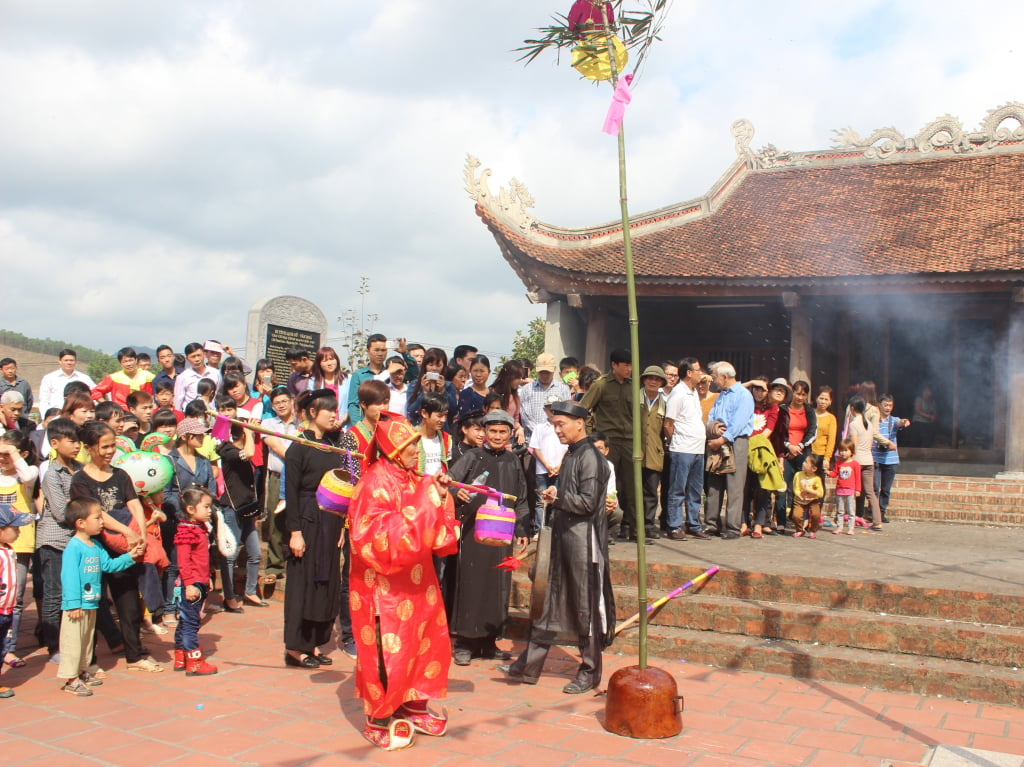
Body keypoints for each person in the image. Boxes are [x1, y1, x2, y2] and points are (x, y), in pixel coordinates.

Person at [346, 415, 459, 750]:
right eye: (410, 446)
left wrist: (437, 494)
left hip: (418, 583)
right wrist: (425, 503)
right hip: (383, 588)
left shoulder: (415, 479)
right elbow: (373, 537)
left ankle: (412, 703)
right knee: (386, 650)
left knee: (424, 642)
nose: (416, 452)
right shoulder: (373, 484)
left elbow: (430, 523)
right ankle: (379, 715)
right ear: (393, 450)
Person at [499, 400, 614, 694]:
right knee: (547, 602)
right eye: (554, 425)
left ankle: (589, 671)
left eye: (561, 425)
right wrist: (558, 492)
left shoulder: (591, 457)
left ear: (580, 423)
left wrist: (557, 499)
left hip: (583, 545)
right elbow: (574, 493)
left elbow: (588, 503)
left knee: (583, 607)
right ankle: (528, 665)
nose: (557, 430)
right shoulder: (573, 454)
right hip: (565, 538)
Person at [70, 421, 161, 671]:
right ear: (89, 448)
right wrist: (125, 531)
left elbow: (133, 503)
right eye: (105, 446)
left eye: (113, 445)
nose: (110, 451)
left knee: (129, 603)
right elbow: (95, 511)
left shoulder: (120, 474)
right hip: (95, 546)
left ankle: (135, 656)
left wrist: (140, 532)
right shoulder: (80, 480)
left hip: (124, 547)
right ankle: (87, 662)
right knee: (92, 605)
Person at [447, 410, 529, 666]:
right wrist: (456, 492)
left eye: (502, 431)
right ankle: (465, 642)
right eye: (492, 431)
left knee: (497, 585)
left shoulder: (513, 461)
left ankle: (489, 642)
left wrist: (523, 529)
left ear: (509, 434)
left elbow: (522, 497)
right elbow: (448, 483)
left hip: (502, 534)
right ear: (483, 432)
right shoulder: (472, 457)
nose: (496, 436)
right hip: (474, 533)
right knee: (471, 584)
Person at [284, 389, 359, 668]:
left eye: (335, 410)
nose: (333, 415)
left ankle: (314, 644)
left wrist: (341, 524)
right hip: (305, 518)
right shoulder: (298, 447)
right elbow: (290, 492)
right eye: (328, 410)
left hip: (331, 520)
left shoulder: (333, 445)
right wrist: (295, 531)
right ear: (312, 413)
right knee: (302, 583)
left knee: (325, 582)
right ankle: (295, 647)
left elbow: (341, 487)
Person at [58, 499, 143, 696]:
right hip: (76, 606)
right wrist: (72, 604)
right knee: (73, 641)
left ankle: (83, 670)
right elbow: (69, 577)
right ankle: (71, 678)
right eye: (97, 518)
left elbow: (109, 566)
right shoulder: (74, 547)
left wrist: (130, 556)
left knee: (87, 641)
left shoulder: (95, 545)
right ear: (81, 523)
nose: (102, 522)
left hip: (91, 603)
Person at [36, 418, 82, 661]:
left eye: (78, 441)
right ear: (54, 443)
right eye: (71, 441)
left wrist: (75, 505)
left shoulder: (81, 468)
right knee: (54, 593)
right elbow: (61, 512)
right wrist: (80, 508)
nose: (76, 446)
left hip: (76, 541)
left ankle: (72, 641)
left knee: (74, 594)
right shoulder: (51, 474)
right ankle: (54, 646)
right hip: (54, 541)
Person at [580, 349, 636, 540]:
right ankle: (605, 528)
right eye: (625, 365)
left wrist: (641, 446)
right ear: (614, 365)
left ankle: (633, 529)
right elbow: (583, 408)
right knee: (604, 484)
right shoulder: (601, 384)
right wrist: (589, 439)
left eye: (631, 365)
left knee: (632, 488)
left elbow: (640, 416)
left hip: (630, 442)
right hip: (607, 442)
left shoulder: (633, 386)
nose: (629, 369)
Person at [215, 400, 263, 610]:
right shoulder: (227, 450)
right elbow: (250, 453)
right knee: (230, 555)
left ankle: (250, 591)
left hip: (247, 508)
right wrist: (250, 433)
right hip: (231, 509)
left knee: (255, 553)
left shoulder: (236, 447)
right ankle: (229, 596)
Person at [0, 430, 38, 669]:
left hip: (20, 543)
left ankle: (9, 648)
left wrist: (13, 453)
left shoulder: (27, 474)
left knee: (15, 597)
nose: (2, 457)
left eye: (6, 453)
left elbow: (27, 474)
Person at [704, 363, 755, 540]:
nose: (714, 380)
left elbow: (739, 422)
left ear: (725, 376)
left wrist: (723, 438)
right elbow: (711, 416)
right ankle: (712, 523)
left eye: (716, 376)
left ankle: (733, 526)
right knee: (714, 483)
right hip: (717, 440)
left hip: (736, 442)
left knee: (734, 485)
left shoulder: (743, 395)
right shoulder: (721, 396)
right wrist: (713, 429)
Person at [173, 487, 219, 676]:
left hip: (198, 581)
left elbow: (201, 559)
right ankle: (194, 661)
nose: (210, 511)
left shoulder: (198, 529)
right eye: (206, 507)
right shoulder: (187, 531)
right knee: (191, 623)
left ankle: (181, 656)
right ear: (191, 510)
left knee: (185, 621)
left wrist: (206, 577)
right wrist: (190, 584)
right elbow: (183, 562)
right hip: (189, 584)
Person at [663, 358, 708, 540]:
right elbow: (668, 424)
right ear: (689, 372)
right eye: (697, 370)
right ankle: (673, 525)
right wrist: (677, 442)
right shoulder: (678, 393)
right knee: (677, 489)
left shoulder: (693, 391)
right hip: (682, 449)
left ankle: (693, 523)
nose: (700, 373)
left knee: (695, 490)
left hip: (698, 449)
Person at [0, 504, 37, 698]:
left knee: (2, 647)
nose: (19, 532)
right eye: (14, 529)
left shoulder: (9, 550)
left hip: (7, 611)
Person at [261, 387, 297, 583]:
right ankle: (274, 566)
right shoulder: (267, 423)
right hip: (277, 476)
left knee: (298, 519)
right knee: (275, 521)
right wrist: (296, 457)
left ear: (291, 401)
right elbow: (276, 446)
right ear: (272, 406)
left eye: (284, 401)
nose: (281, 405)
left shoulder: (302, 422)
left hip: (300, 477)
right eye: (277, 403)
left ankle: (296, 564)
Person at [777, 380, 817, 532]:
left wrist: (799, 447)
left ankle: (800, 520)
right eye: (797, 393)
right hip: (785, 452)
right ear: (792, 392)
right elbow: (779, 431)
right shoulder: (783, 409)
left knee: (802, 488)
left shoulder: (809, 411)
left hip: (803, 453)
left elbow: (813, 432)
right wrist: (789, 446)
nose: (800, 397)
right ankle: (780, 521)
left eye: (803, 394)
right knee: (782, 486)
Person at [847, 395, 890, 532]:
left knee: (852, 491)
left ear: (852, 409)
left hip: (857, 460)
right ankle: (877, 522)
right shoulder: (870, 425)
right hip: (869, 460)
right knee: (870, 492)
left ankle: (850, 519)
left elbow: (853, 445)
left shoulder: (854, 424)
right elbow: (871, 444)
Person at [528, 394, 568, 536]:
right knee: (541, 501)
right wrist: (546, 464)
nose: (552, 411)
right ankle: (539, 530)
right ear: (545, 409)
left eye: (555, 408)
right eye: (549, 408)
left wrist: (559, 466)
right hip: (542, 469)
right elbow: (535, 448)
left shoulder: (564, 427)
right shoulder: (539, 427)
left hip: (559, 468)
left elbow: (566, 448)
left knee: (557, 499)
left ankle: (554, 530)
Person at [638, 365, 667, 542]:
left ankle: (648, 525)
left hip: (655, 453)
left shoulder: (665, 402)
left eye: (657, 379)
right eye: (649, 378)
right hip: (634, 452)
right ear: (643, 380)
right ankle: (629, 524)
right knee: (631, 491)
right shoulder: (634, 398)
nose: (653, 381)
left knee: (650, 492)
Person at [874, 394, 910, 523]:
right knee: (874, 487)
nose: (888, 408)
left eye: (890, 405)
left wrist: (904, 422)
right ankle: (873, 512)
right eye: (885, 405)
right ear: (879, 405)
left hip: (891, 459)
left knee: (886, 489)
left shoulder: (894, 420)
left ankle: (882, 513)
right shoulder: (874, 420)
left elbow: (901, 423)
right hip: (875, 458)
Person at [38, 349, 96, 416]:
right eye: (66, 360)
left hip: (78, 415)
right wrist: (45, 416)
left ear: (75, 361)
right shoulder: (49, 378)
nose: (69, 363)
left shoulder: (84, 378)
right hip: (56, 415)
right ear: (59, 361)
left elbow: (94, 396)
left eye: (71, 360)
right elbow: (44, 400)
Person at [174, 342, 222, 411]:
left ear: (204, 355)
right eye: (193, 356)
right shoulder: (182, 377)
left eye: (199, 355)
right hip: (192, 417)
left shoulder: (215, 373)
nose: (197, 359)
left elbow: (219, 395)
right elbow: (178, 403)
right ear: (187, 359)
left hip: (212, 416)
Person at [830, 439, 861, 535]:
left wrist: (858, 490)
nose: (843, 453)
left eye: (846, 450)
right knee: (840, 510)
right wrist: (828, 472)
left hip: (850, 490)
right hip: (840, 489)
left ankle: (851, 528)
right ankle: (840, 527)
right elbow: (834, 473)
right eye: (841, 450)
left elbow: (858, 478)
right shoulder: (838, 463)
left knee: (851, 511)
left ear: (852, 451)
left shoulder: (855, 464)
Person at [310, 347, 349, 423]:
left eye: (331, 359)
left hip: (343, 427)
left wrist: (341, 421)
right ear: (319, 364)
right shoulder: (313, 382)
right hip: (322, 427)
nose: (329, 363)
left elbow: (352, 405)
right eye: (325, 361)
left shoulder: (348, 379)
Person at [791, 453, 824, 538]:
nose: (803, 463)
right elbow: (796, 488)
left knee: (816, 514)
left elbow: (820, 493)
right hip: (800, 500)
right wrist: (799, 495)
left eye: (806, 462)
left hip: (813, 500)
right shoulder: (798, 475)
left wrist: (810, 491)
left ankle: (812, 530)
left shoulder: (817, 479)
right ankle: (799, 530)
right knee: (796, 516)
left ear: (814, 468)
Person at [457, 355, 491, 421]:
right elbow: (464, 418)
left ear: (489, 372)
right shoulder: (466, 394)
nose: (478, 375)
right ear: (470, 371)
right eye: (475, 371)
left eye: (482, 371)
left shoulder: (494, 396)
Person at [812, 386, 837, 472]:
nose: (823, 401)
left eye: (826, 399)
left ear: (830, 402)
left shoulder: (831, 418)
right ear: (816, 399)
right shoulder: (809, 414)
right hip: (807, 454)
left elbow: (831, 440)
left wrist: (827, 458)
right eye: (821, 398)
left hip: (821, 455)